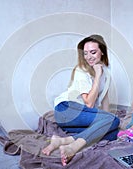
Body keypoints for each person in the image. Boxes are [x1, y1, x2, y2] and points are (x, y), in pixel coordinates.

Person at [42, 35, 120, 166]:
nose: (89, 57)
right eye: (85, 53)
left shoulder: (105, 69)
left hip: (79, 116)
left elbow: (105, 96)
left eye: (93, 52)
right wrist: (98, 75)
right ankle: (72, 147)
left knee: (113, 132)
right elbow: (89, 103)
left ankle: (61, 141)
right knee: (113, 121)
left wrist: (108, 116)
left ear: (102, 51)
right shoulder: (81, 70)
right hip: (66, 110)